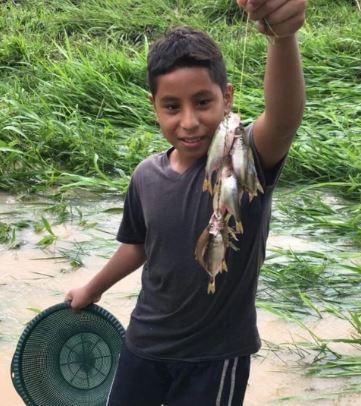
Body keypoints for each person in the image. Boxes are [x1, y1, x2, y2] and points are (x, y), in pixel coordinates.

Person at [65, 0, 306, 404]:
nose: (190, 121)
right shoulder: (145, 176)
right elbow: (137, 246)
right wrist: (92, 288)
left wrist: (282, 37)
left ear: (226, 98)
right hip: (143, 345)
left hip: (214, 358)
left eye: (203, 102)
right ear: (154, 108)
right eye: (172, 107)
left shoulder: (244, 158)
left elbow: (283, 119)